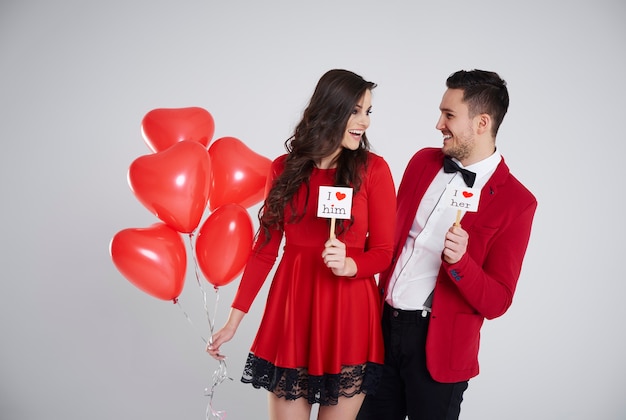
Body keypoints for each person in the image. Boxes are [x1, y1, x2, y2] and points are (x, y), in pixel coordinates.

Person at [207, 69, 397, 420]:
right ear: (330, 111)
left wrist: (351, 264)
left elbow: (385, 252)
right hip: (293, 309)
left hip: (349, 313)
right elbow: (264, 250)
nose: (364, 122)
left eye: (368, 112)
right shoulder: (283, 169)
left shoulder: (374, 170)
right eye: (355, 111)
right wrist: (233, 322)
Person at [357, 69, 537, 420]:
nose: (438, 124)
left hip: (440, 348)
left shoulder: (518, 202)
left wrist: (461, 262)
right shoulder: (422, 162)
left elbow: (498, 300)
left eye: (449, 115)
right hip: (380, 332)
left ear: (482, 123)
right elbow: (387, 242)